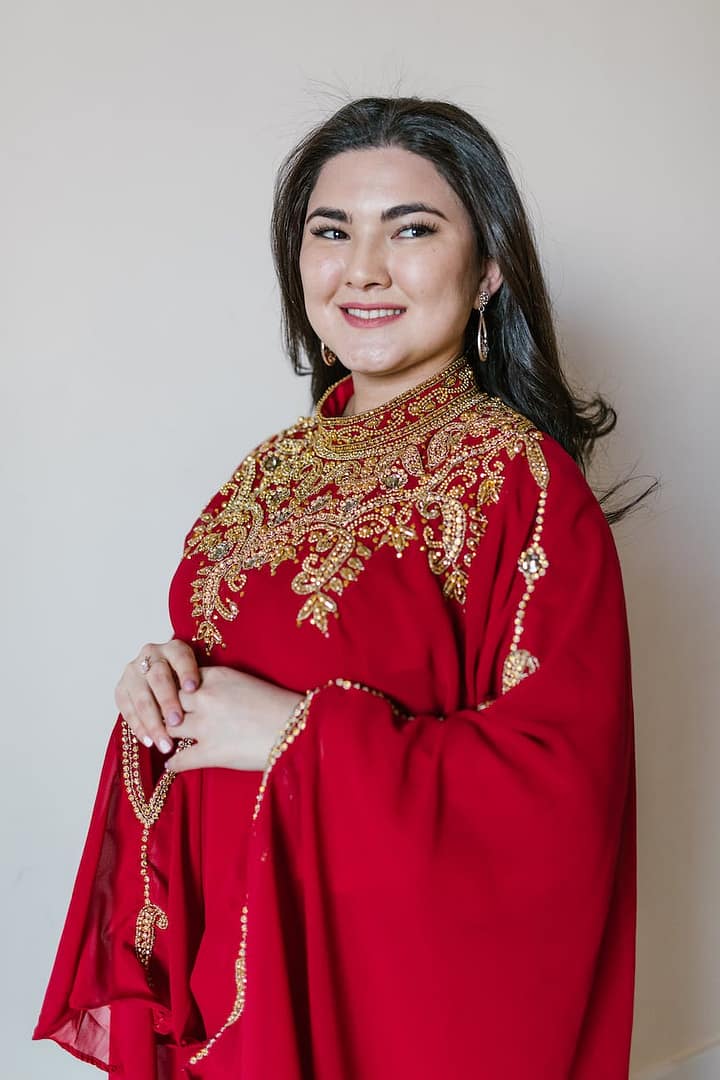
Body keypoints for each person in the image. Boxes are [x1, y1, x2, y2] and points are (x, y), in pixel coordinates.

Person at [34, 96, 645, 1078]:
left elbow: (561, 796)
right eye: (331, 231)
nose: (362, 268)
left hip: (378, 1004)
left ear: (489, 269)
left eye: (411, 229)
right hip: (232, 973)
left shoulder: (523, 487)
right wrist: (165, 681)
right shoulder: (269, 471)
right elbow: (238, 667)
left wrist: (297, 735)